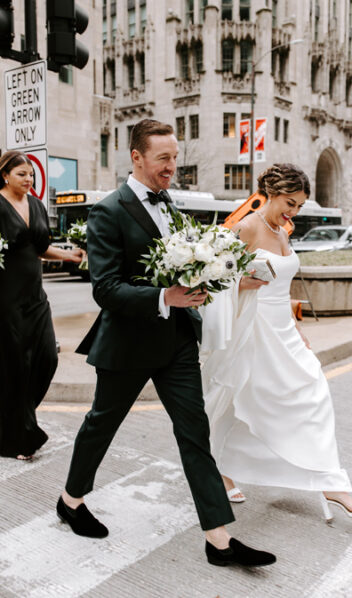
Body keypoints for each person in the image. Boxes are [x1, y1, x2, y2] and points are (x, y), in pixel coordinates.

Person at [58, 119, 275, 568]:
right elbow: (106, 289)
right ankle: (70, 500)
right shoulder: (108, 212)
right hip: (127, 343)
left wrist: (220, 278)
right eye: (163, 158)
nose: (171, 167)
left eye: (175, 157)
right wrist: (164, 296)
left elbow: (190, 267)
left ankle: (219, 541)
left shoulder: (173, 207)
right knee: (102, 424)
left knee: (195, 432)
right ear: (136, 157)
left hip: (176, 340)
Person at [200, 163, 352, 521]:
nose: (293, 212)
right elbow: (211, 277)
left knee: (312, 390)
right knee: (236, 399)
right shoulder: (245, 227)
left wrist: (296, 324)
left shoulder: (282, 229)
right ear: (271, 194)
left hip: (282, 327)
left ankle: (329, 483)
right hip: (253, 326)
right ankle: (223, 470)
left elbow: (284, 283)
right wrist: (239, 283)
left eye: (299, 206)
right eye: (289, 203)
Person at [0, 151, 84, 460]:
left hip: (35, 298)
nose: (28, 180)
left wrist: (68, 255)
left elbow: (41, 249)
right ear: (5, 175)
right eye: (22, 174)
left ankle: (15, 418)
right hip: (5, 299)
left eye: (31, 175)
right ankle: (19, 435)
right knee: (15, 367)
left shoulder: (35, 204)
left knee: (47, 357)